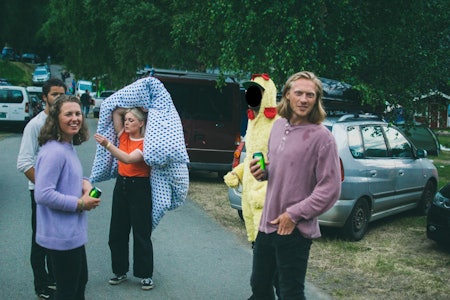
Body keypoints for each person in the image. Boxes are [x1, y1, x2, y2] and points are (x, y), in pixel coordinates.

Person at [248, 71, 341, 300]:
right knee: (259, 285)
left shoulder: (322, 137)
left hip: (295, 229)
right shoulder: (278, 127)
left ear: (316, 99)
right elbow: (281, 170)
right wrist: (263, 172)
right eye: (298, 93)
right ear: (287, 95)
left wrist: (294, 215)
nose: (304, 99)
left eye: (310, 95)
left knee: (289, 291)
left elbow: (330, 188)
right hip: (267, 224)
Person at [34, 94, 101, 299]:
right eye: (68, 114)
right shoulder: (54, 151)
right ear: (56, 118)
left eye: (78, 113)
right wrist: (80, 203)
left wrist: (85, 182)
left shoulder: (66, 146)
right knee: (69, 293)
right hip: (61, 236)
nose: (75, 118)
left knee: (78, 285)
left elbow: (69, 176)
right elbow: (43, 194)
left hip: (72, 235)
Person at [17, 78, 67, 300]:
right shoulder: (35, 125)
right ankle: (42, 285)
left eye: (62, 94)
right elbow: (24, 163)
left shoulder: (63, 123)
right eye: (55, 94)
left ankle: (55, 277)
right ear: (45, 97)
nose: (59, 98)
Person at [94, 107, 154, 291]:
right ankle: (119, 271)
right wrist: (134, 105)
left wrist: (107, 144)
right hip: (122, 186)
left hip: (140, 188)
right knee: (117, 232)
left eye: (131, 120)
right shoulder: (123, 136)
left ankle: (145, 275)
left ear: (141, 123)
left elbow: (128, 159)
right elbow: (115, 113)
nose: (126, 123)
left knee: (141, 233)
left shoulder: (147, 142)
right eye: (126, 119)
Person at [224, 73, 279, 246]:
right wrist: (238, 172)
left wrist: (265, 190)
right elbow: (253, 157)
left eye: (257, 91)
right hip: (250, 194)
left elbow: (284, 163)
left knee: (267, 250)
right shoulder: (252, 122)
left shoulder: (278, 123)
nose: (251, 94)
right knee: (256, 245)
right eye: (250, 91)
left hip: (267, 199)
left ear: (268, 95)